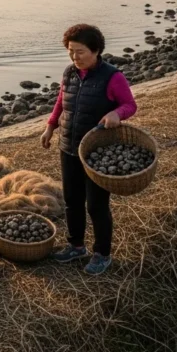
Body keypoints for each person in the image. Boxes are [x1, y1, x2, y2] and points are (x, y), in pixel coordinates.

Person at [40, 24, 137, 276]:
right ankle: (75, 246)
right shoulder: (70, 73)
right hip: (68, 146)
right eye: (71, 52)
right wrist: (50, 127)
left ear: (96, 50)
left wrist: (116, 112)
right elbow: (62, 100)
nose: (75, 57)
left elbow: (129, 104)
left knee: (96, 205)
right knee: (72, 201)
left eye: (80, 51)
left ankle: (102, 254)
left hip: (96, 152)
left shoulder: (112, 77)